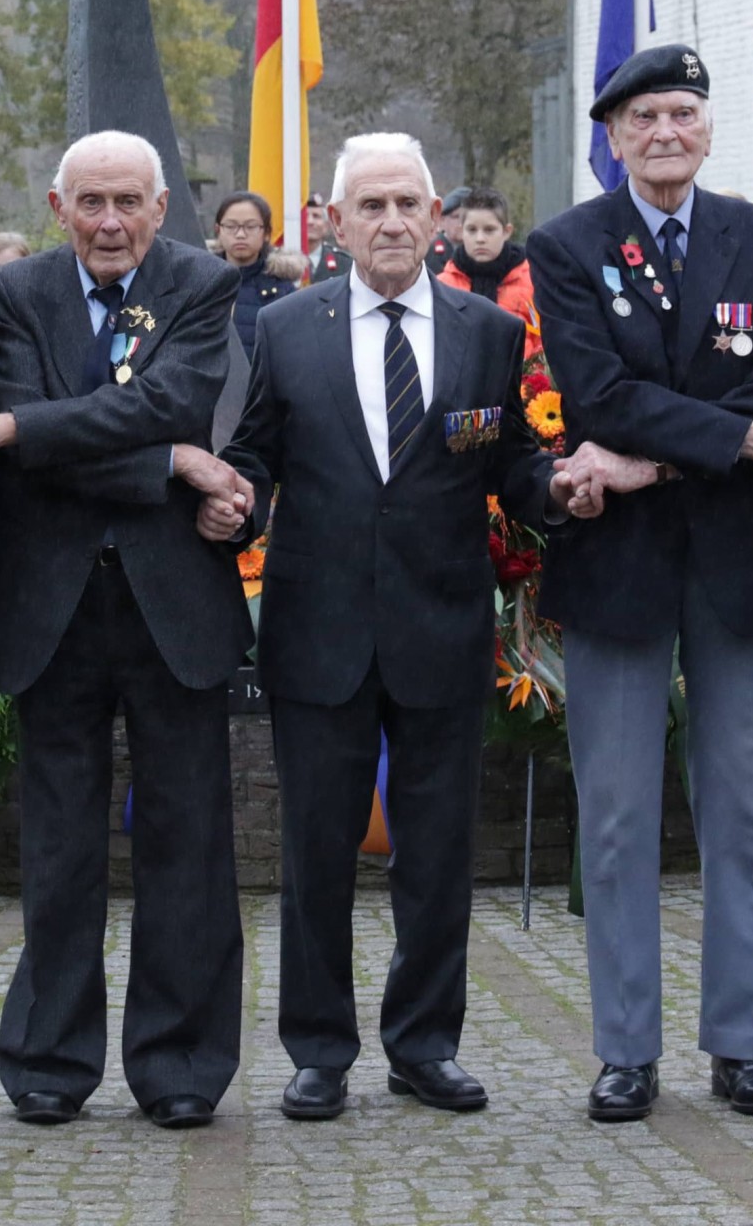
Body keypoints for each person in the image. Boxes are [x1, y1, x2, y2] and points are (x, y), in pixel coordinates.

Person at [217, 132, 575, 1123]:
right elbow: (251, 456)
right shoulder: (285, 328)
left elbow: (509, 466)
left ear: (435, 218)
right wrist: (228, 502)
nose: (388, 221)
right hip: (316, 629)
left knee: (436, 858)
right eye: (367, 206)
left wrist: (561, 489)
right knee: (316, 856)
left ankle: (424, 1044)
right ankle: (318, 1050)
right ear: (335, 222)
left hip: (440, 627)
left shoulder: (485, 334)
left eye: (405, 204)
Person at [529, 43, 753, 1124]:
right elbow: (598, 393)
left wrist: (661, 455)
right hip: (616, 568)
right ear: (612, 137)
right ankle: (625, 1048)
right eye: (645, 117)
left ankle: (739, 1042)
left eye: (684, 115)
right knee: (614, 817)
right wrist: (742, 435)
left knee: (740, 813)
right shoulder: (568, 245)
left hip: (737, 562)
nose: (666, 133)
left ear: (707, 129)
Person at [0, 131, 254, 1132]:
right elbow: (29, 426)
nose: (111, 221)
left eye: (129, 200)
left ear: (161, 206)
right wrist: (171, 465)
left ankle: (180, 1064)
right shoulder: (15, 294)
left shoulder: (202, 283)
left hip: (175, 606)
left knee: (189, 846)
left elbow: (169, 400)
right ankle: (48, 1058)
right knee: (58, 847)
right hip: (52, 605)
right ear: (57, 204)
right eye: (91, 202)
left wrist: (31, 433)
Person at [438, 185, 542, 358]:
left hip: (521, 382)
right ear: (462, 231)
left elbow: (543, 343)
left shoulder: (532, 282)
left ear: (507, 231)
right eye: (472, 230)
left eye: (489, 230)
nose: (480, 239)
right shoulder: (443, 286)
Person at [214, 189, 298, 360]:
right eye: (230, 226)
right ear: (218, 230)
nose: (240, 234)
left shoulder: (282, 290)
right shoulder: (200, 281)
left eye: (250, 226)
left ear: (266, 233)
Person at [305, 190, 352, 280]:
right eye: (304, 216)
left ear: (327, 225)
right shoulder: (280, 262)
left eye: (316, 216)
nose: (309, 221)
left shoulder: (343, 262)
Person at [424, 185, 465, 273]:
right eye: (456, 217)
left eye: (466, 217)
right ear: (442, 221)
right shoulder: (436, 251)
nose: (461, 224)